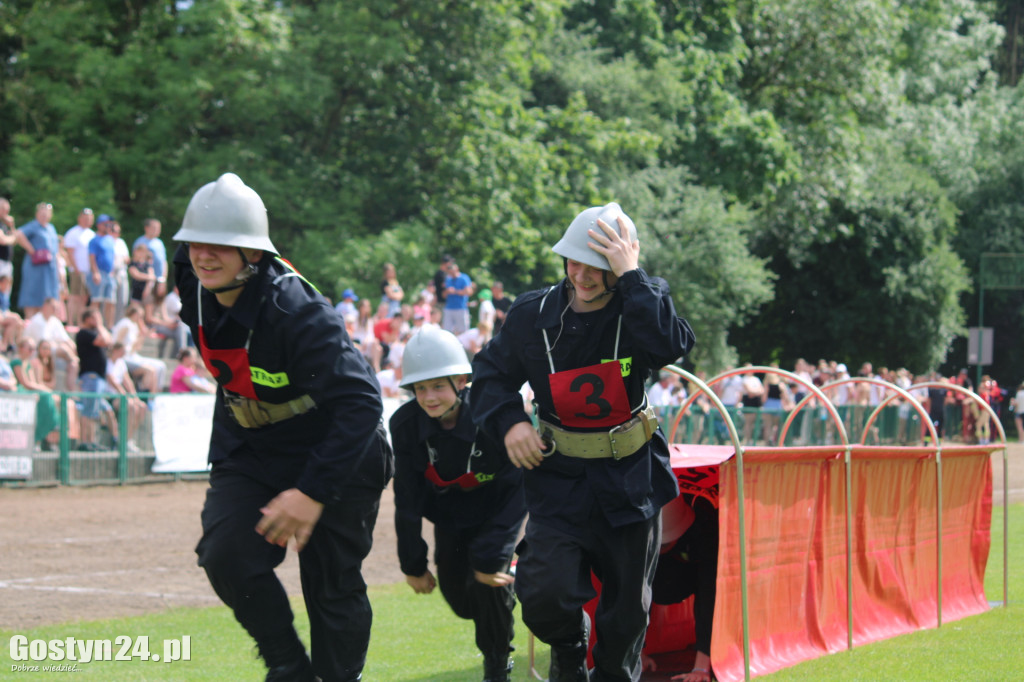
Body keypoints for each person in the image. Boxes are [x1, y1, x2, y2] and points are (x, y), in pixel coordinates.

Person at [173, 172, 394, 682]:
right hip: (252, 447)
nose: (205, 255)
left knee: (331, 585)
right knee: (226, 554)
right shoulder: (190, 276)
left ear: (252, 253)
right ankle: (289, 668)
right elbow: (186, 256)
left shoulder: (297, 311)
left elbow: (362, 402)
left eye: (222, 246)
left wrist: (312, 492)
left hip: (339, 450)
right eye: (197, 243)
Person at [470, 202, 696, 682]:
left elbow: (670, 346)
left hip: (632, 478)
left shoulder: (643, 302)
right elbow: (489, 376)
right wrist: (511, 423)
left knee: (627, 618)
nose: (584, 275)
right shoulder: (532, 314)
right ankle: (570, 648)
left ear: (620, 266)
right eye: (575, 262)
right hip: (559, 480)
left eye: (599, 266)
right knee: (543, 593)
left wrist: (632, 277)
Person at [391, 327, 526, 682]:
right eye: (420, 388)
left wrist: (495, 552)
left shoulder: (491, 417)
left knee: (490, 581)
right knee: (462, 604)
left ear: (462, 381)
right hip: (449, 521)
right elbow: (406, 498)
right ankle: (508, 578)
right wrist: (413, 563)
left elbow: (519, 485)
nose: (428, 397)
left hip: (495, 514)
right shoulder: (403, 426)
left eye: (438, 386)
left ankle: (497, 665)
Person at [642, 481, 720, 682]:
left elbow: (709, 594)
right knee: (634, 585)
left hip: (692, 573)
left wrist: (702, 667)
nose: (664, 547)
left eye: (667, 543)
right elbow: (632, 594)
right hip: (657, 581)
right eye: (661, 544)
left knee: (709, 590)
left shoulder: (704, 526)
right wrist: (636, 653)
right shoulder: (638, 535)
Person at [75, 307, 118, 451]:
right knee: (88, 410)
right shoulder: (84, 333)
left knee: (100, 410)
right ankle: (85, 442)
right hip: (91, 378)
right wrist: (100, 325)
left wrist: (99, 326)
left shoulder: (94, 333)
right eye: (95, 317)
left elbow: (110, 341)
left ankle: (93, 441)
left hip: (98, 379)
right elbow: (105, 341)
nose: (98, 320)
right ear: (88, 319)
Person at [22, 297, 80, 392]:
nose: (55, 310)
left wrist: (72, 347)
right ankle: (74, 360)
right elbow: (43, 345)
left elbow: (66, 340)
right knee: (65, 350)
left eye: (56, 307)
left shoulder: (54, 321)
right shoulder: (37, 320)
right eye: (53, 307)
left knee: (73, 363)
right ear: (45, 306)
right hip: (36, 353)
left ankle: (72, 389)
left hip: (48, 352)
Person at [15, 202, 61, 319]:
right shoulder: (33, 226)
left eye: (47, 213)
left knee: (48, 298)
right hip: (35, 267)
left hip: (49, 269)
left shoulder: (51, 228)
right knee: (32, 295)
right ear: (37, 214)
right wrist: (32, 250)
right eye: (42, 213)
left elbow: (55, 250)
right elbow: (18, 234)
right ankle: (30, 324)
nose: (44, 215)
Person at [63, 207, 96, 327]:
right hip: (78, 270)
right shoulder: (73, 233)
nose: (87, 220)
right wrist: (76, 268)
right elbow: (70, 252)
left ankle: (81, 322)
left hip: (88, 271)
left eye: (89, 218)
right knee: (75, 296)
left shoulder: (92, 234)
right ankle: (71, 321)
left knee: (84, 298)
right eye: (85, 218)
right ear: (79, 218)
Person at [87, 214, 118, 328]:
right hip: (99, 272)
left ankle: (109, 326)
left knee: (110, 301)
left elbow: (112, 256)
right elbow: (92, 257)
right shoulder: (94, 240)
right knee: (96, 300)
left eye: (110, 224)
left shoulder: (110, 239)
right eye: (106, 224)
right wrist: (95, 272)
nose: (108, 226)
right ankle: (91, 324)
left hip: (109, 274)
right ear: (99, 225)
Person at [133, 218, 167, 298]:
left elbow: (164, 262)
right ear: (146, 228)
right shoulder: (140, 242)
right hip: (145, 281)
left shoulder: (159, 243)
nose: (157, 230)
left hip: (159, 280)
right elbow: (135, 262)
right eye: (155, 228)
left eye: (159, 228)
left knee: (159, 304)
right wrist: (148, 278)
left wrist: (163, 279)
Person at [443, 261, 474, 335]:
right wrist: (447, 291)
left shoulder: (464, 278)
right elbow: (443, 295)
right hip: (449, 307)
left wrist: (455, 291)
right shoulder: (448, 279)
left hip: (460, 307)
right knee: (447, 330)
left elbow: (469, 292)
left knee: (462, 330)